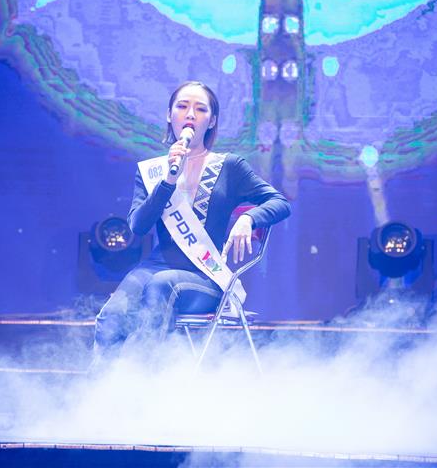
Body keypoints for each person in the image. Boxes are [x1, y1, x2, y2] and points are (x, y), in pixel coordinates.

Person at [92, 81, 290, 367]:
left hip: (205, 275)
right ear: (169, 115)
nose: (190, 115)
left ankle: (146, 382)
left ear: (212, 121)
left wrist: (248, 218)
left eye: (200, 109)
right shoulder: (152, 171)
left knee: (161, 287)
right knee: (112, 316)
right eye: (182, 106)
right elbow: (138, 226)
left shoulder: (230, 167)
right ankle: (104, 384)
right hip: (153, 268)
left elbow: (279, 202)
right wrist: (168, 181)